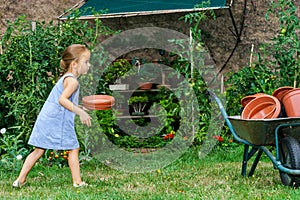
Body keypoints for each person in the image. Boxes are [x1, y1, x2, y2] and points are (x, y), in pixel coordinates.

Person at [12, 44, 92, 188]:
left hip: (47, 118)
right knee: (73, 148)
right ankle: (77, 182)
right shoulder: (72, 81)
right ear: (74, 64)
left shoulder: (67, 78)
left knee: (38, 150)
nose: (88, 65)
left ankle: (19, 180)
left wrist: (79, 107)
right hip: (57, 121)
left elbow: (64, 101)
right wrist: (80, 112)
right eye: (86, 62)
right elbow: (62, 100)